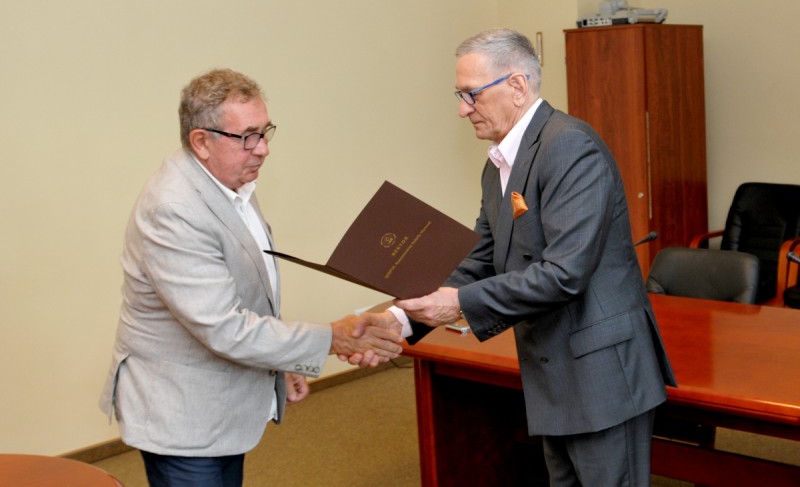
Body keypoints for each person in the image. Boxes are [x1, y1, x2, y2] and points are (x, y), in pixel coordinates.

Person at [394, 28, 677, 486]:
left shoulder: (569, 145)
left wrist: (459, 303)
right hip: (553, 371)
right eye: (460, 95)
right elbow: (482, 257)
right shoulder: (498, 164)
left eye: (471, 94)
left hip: (601, 374)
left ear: (517, 86)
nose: (463, 109)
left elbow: (564, 273)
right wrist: (401, 320)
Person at [99, 68, 403, 487]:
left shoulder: (230, 183)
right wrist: (333, 338)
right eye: (247, 137)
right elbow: (223, 326)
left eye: (264, 132)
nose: (262, 149)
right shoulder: (174, 209)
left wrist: (281, 360)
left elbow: (247, 292)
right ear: (201, 141)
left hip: (220, 405)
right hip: (183, 417)